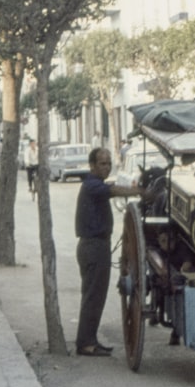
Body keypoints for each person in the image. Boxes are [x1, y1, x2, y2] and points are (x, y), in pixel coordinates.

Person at [75, 147, 142, 356]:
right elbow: (113, 191)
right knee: (93, 296)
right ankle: (86, 343)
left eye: (109, 163)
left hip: (97, 246)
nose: (107, 167)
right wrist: (140, 191)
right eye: (102, 163)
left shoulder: (96, 184)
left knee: (96, 296)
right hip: (93, 247)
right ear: (92, 166)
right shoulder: (91, 186)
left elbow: (111, 187)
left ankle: (90, 340)